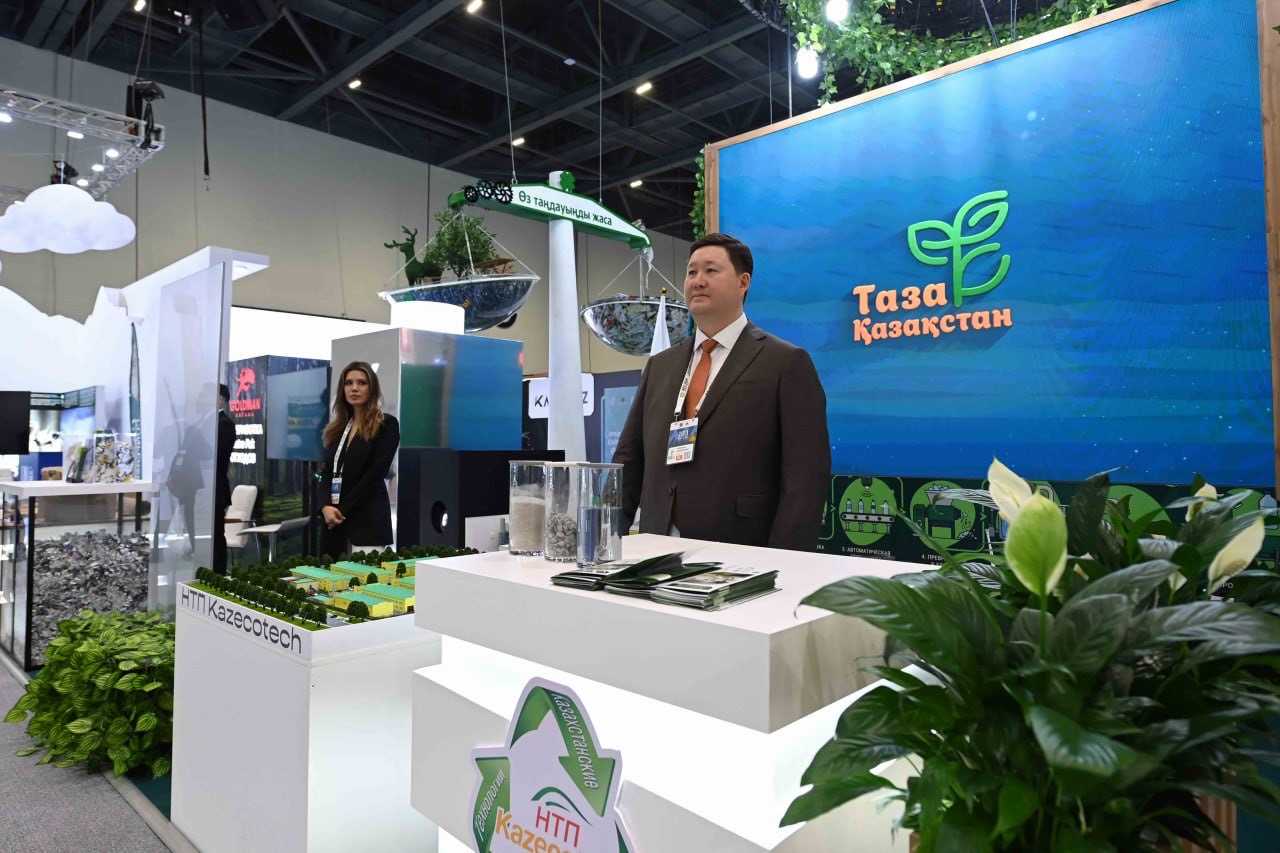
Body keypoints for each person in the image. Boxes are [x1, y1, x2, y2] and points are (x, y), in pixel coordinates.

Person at [612, 232, 830, 550]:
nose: (698, 281)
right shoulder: (660, 366)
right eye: (691, 272)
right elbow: (630, 459)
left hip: (742, 551)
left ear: (743, 282)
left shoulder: (785, 362)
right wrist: (605, 541)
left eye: (711, 270)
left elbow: (805, 478)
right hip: (656, 546)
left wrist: (785, 561)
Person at [319, 361, 400, 557]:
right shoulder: (337, 429)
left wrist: (341, 510)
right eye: (348, 383)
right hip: (333, 521)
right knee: (330, 573)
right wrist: (325, 506)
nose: (354, 388)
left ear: (372, 389)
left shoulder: (386, 424)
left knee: (365, 575)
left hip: (367, 520)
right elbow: (326, 473)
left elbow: (375, 475)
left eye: (362, 383)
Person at [213, 383, 235, 573]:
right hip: (201, 491)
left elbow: (218, 457)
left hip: (216, 490)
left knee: (216, 535)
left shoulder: (224, 424)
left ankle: (218, 574)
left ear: (221, 400)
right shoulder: (206, 423)